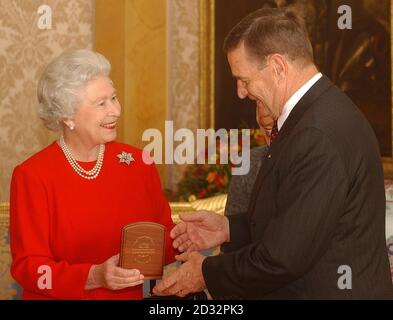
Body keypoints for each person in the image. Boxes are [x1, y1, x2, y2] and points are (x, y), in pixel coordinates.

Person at [153, 7, 393, 299]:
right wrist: (229, 229)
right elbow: (296, 219)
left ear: (278, 66)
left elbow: (283, 257)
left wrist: (205, 272)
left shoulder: (316, 133)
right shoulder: (317, 114)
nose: (241, 92)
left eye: (244, 79)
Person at [9, 49, 176, 300]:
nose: (115, 110)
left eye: (114, 98)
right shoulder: (33, 176)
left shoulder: (139, 164)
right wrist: (93, 276)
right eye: (101, 104)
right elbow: (30, 269)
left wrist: (186, 237)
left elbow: (163, 243)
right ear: (67, 116)